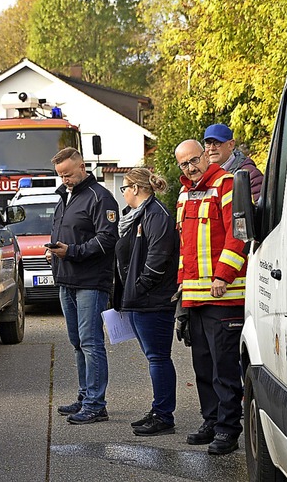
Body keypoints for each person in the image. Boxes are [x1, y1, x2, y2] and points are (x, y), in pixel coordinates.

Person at [174, 139, 247, 455]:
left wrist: (223, 275)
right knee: (203, 366)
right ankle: (212, 420)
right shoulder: (184, 193)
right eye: (184, 164)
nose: (190, 168)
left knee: (224, 367)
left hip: (224, 295)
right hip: (194, 296)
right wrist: (180, 287)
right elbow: (185, 248)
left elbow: (239, 234)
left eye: (194, 160)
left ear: (205, 155)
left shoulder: (225, 183)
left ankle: (228, 430)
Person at [48, 147, 119, 425]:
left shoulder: (100, 198)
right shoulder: (64, 198)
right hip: (66, 279)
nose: (64, 179)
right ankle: (84, 395)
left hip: (91, 281)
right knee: (77, 342)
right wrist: (54, 250)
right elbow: (62, 232)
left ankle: (96, 404)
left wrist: (73, 252)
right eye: (60, 175)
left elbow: (107, 238)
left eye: (67, 174)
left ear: (82, 167)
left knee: (91, 342)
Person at [113, 168, 179, 436]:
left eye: (125, 188)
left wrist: (140, 286)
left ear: (137, 189)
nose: (124, 193)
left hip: (152, 300)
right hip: (140, 299)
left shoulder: (155, 215)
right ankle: (158, 409)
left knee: (158, 358)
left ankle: (164, 415)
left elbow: (158, 256)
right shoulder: (138, 215)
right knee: (154, 358)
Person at [203, 123, 264, 202]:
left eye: (217, 143)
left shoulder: (250, 175)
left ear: (231, 145)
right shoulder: (201, 176)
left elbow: (261, 210)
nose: (211, 148)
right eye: (208, 143)